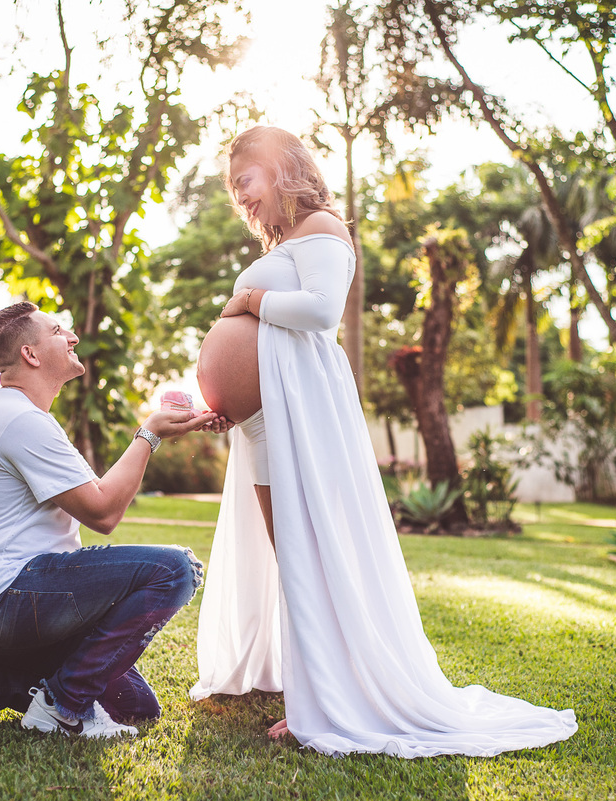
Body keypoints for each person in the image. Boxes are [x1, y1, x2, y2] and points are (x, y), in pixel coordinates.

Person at [189, 126, 579, 757]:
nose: (240, 198)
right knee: (288, 551)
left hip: (303, 413)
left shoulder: (323, 227)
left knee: (313, 544)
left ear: (280, 168)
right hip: (264, 420)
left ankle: (331, 697)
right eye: (234, 189)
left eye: (245, 182)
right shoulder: (289, 239)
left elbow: (320, 312)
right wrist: (228, 403)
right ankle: (307, 682)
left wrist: (248, 299)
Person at [0, 301, 222, 738]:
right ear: (30, 354)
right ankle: (61, 710)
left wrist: (156, 432)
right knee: (176, 569)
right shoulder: (20, 420)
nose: (72, 337)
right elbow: (104, 514)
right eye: (58, 330)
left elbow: (101, 496)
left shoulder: (25, 417)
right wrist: (151, 433)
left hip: (14, 604)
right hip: (7, 596)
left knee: (137, 707)